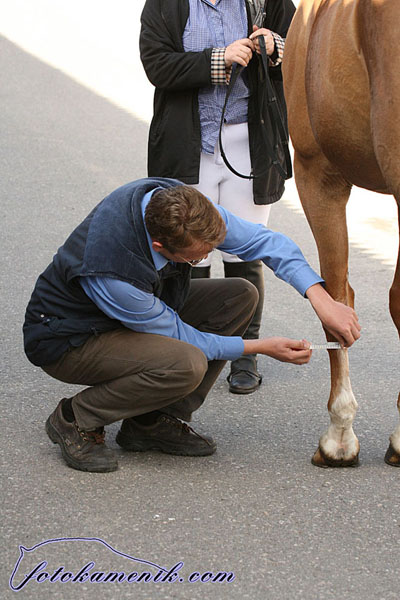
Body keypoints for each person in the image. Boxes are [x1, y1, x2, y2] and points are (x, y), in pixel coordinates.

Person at [23, 178, 361, 473]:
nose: (206, 257)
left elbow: (267, 242)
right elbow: (186, 339)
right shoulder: (113, 273)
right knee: (186, 363)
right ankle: (76, 418)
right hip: (70, 338)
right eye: (197, 258)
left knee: (240, 294)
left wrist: (321, 299)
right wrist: (260, 348)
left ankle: (151, 421)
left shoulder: (182, 205)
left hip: (137, 306)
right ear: (160, 246)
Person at [139, 0, 296, 394]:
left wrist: (276, 48)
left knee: (246, 252)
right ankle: (189, 348)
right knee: (189, 251)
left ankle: (246, 354)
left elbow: (303, 49)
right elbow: (157, 65)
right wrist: (218, 60)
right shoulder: (166, 4)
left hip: (250, 143)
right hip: (188, 147)